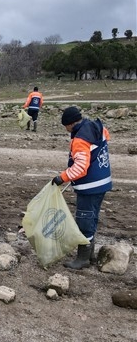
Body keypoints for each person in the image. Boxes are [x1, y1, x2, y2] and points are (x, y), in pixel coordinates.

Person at [51, 106, 112, 269]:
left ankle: (83, 258)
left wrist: (61, 177)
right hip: (103, 182)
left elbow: (80, 167)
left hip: (90, 186)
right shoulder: (97, 127)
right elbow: (106, 137)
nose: (66, 130)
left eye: (66, 126)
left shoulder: (80, 139)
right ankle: (90, 255)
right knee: (92, 217)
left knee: (84, 219)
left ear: (70, 124)